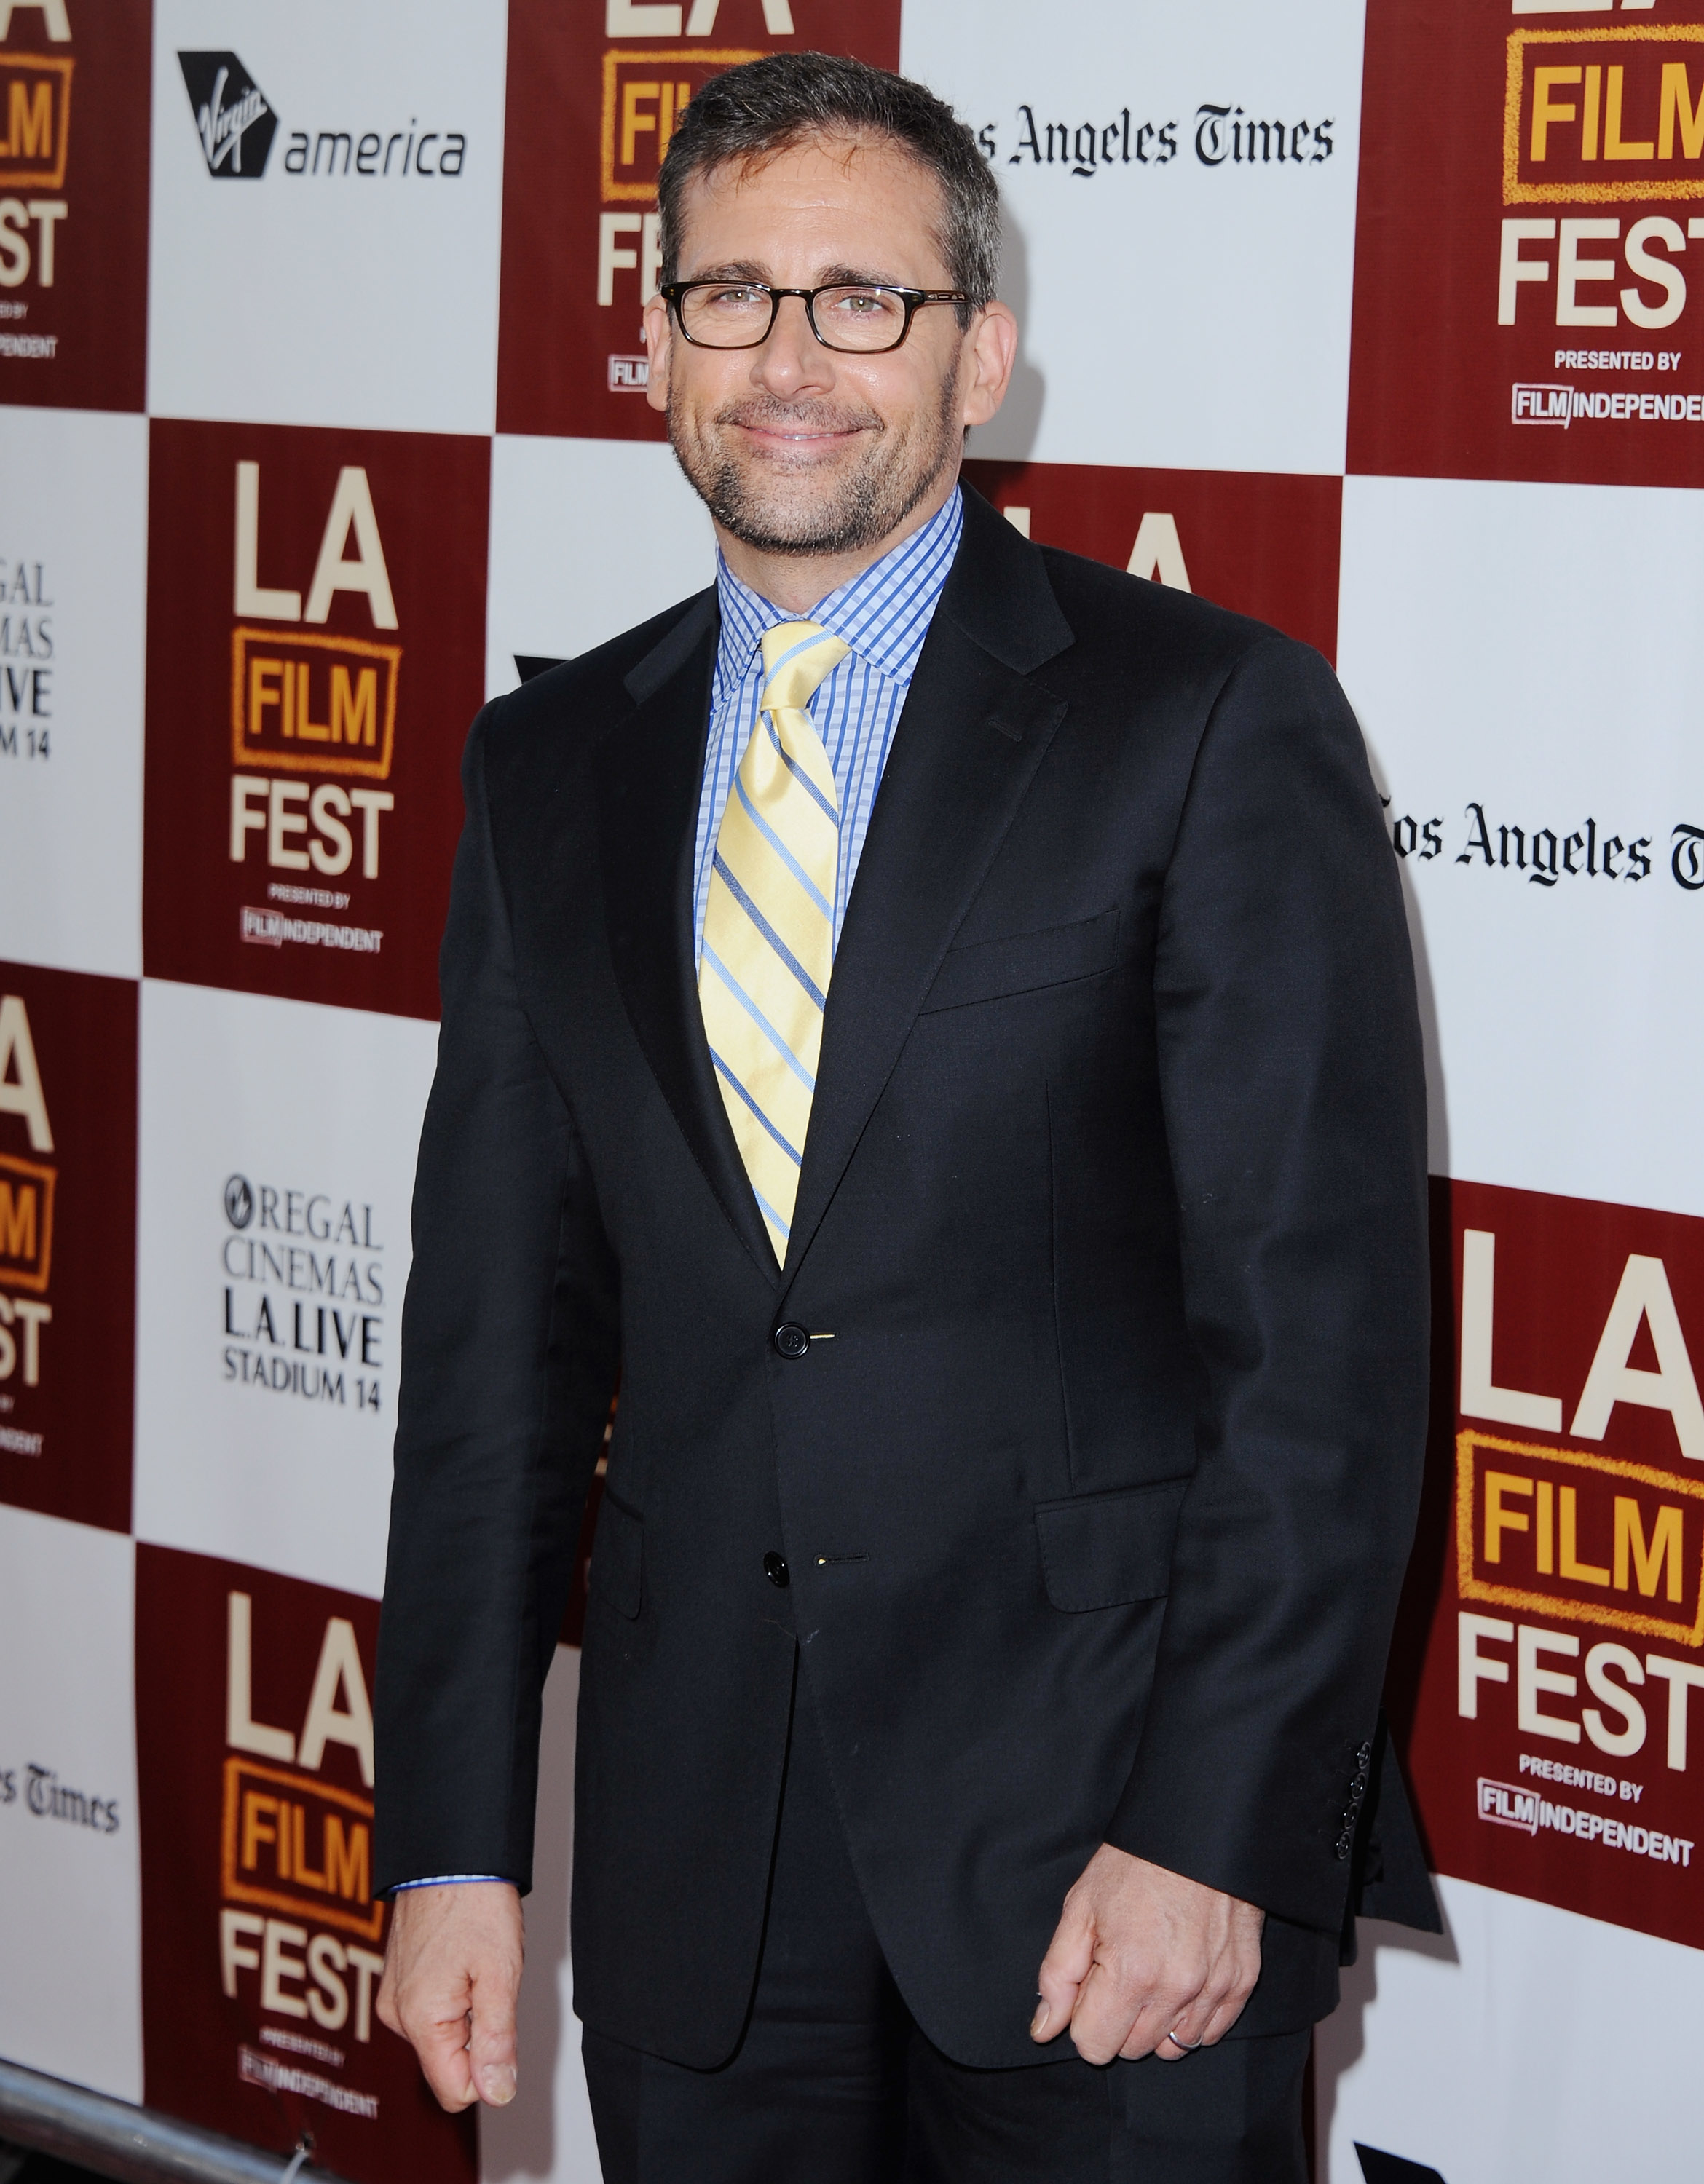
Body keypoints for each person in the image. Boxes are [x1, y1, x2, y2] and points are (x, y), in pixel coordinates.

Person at [374, 50, 1435, 2183]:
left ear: (980, 357)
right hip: (695, 1875)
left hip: (1102, 1859)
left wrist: (1209, 1829)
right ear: (651, 338)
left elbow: (1314, 1360)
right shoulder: (547, 762)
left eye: (861, 300)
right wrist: (455, 1846)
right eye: (729, 296)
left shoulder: (1206, 718)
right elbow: (493, 1364)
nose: (787, 360)